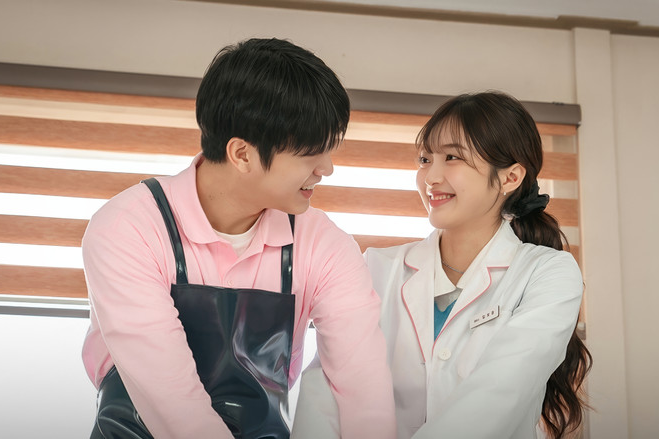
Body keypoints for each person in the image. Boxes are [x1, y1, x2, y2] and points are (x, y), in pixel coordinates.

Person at [82, 38, 396, 439]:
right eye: (310, 153)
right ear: (242, 154)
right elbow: (172, 401)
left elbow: (363, 392)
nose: (327, 168)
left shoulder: (326, 246)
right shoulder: (129, 227)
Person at [292, 91, 592, 439]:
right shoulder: (376, 267)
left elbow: (499, 393)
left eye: (452, 157)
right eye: (424, 159)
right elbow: (326, 388)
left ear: (510, 178)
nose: (430, 177)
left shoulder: (549, 274)